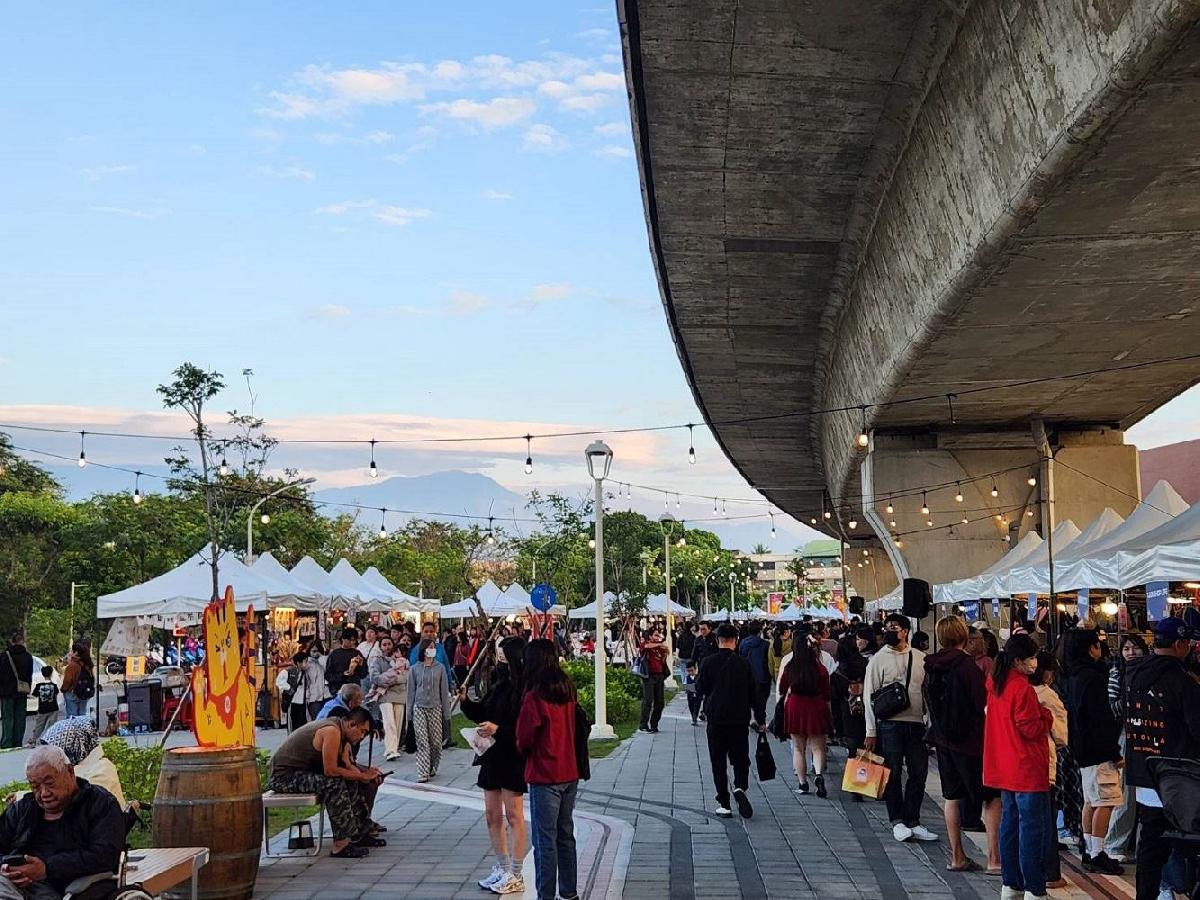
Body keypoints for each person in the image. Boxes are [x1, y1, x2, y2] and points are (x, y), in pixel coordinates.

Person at [1125, 617, 1200, 900]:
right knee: (1187, 842)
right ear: (1180, 644)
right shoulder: (1182, 681)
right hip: (1180, 779)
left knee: (1150, 844)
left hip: (1145, 774)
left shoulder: (1132, 674)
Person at [0, 745, 124, 900]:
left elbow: (105, 855)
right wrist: (6, 868)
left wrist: (47, 868)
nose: (43, 793)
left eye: (50, 783)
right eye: (35, 787)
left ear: (70, 772)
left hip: (71, 888)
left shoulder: (100, 804)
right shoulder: (22, 809)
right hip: (14, 885)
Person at [923, 616, 997, 873]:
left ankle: (957, 856)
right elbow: (981, 704)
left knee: (952, 797)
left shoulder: (931, 666)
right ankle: (994, 859)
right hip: (972, 741)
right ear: (964, 636)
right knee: (991, 797)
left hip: (943, 740)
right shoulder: (967, 667)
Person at [982, 633, 1051, 900]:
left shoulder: (997, 685)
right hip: (1026, 767)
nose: (1035, 662)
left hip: (1004, 766)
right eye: (1031, 657)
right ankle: (1034, 887)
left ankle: (1011, 884)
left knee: (1009, 825)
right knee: (1032, 829)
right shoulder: (1022, 688)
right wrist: (1046, 715)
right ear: (1018, 660)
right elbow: (1031, 728)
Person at [461, 636, 528, 896]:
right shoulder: (499, 682)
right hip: (491, 754)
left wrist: (498, 729)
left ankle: (516, 872)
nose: (498, 658)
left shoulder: (523, 687)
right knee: (492, 814)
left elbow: (523, 728)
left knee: (514, 814)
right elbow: (483, 712)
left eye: (503, 654)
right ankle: (503, 866)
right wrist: (466, 702)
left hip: (511, 755)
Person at [267, 708, 383, 859]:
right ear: (351, 724)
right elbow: (331, 771)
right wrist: (361, 775)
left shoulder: (342, 733)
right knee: (334, 784)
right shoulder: (332, 732)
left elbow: (348, 766)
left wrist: (365, 774)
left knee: (350, 779)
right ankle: (340, 845)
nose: (362, 737)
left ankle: (358, 834)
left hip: (301, 772)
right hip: (283, 777)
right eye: (362, 731)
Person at [516, 639, 580, 900]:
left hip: (545, 773)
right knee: (565, 835)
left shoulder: (534, 697)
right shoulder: (567, 690)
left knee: (545, 841)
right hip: (569, 770)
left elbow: (524, 738)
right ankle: (569, 892)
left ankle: (545, 895)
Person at [863, 613, 935, 843]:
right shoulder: (878, 659)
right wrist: (871, 730)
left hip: (916, 724)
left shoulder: (920, 658)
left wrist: (930, 723)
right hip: (890, 724)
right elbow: (869, 695)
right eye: (887, 627)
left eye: (894, 627)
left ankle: (913, 819)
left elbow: (926, 692)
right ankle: (897, 820)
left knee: (918, 773)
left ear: (905, 631)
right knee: (892, 773)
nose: (889, 631)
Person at [1063, 628, 1124, 875]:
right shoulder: (1093, 678)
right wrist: (1114, 752)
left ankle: (1089, 849)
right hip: (1099, 752)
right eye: (1097, 644)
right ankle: (1098, 853)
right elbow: (1100, 719)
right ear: (1090, 649)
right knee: (1106, 802)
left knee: (1091, 800)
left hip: (1082, 750)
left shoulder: (1073, 676)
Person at [695, 624, 761, 819]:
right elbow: (755, 694)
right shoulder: (744, 664)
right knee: (740, 758)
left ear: (717, 640)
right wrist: (760, 718)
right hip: (739, 719)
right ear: (736, 640)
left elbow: (699, 688)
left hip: (716, 719)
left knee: (718, 761)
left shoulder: (708, 662)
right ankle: (740, 786)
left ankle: (724, 803)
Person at [1104, 632, 1147, 862]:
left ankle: (1141, 847)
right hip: (1125, 735)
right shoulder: (1117, 674)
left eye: (1135, 648)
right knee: (1126, 791)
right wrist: (1132, 697)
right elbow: (1113, 707)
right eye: (1126, 648)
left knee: (1147, 794)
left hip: (1148, 735)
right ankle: (1115, 845)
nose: (1131, 652)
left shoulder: (1150, 672)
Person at [1030, 651, 1069, 890]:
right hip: (1044, 762)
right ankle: (1050, 873)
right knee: (1046, 819)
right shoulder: (1047, 695)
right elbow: (1061, 735)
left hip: (1018, 766)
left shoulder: (1014, 690)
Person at [779, 637, 831, 797]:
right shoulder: (820, 668)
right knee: (818, 748)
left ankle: (802, 783)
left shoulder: (790, 667)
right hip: (816, 706)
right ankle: (818, 774)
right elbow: (827, 693)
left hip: (795, 706)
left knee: (798, 748)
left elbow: (782, 688)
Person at [406, 638, 452, 782]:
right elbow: (410, 692)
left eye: (434, 647)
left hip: (436, 707)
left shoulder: (440, 668)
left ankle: (432, 766)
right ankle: (423, 771)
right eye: (430, 647)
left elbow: (444, 691)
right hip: (419, 707)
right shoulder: (414, 669)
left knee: (436, 742)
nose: (432, 649)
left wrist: (447, 714)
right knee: (422, 741)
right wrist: (409, 714)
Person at [830, 635, 867, 775]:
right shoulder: (867, 666)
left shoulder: (837, 674)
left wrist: (837, 729)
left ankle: (857, 782)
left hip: (848, 717)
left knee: (853, 753)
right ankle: (872, 780)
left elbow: (835, 703)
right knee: (870, 751)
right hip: (868, 714)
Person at [369, 639, 409, 762]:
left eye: (389, 644)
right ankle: (391, 750)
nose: (387, 647)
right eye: (384, 644)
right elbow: (374, 677)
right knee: (389, 722)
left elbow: (406, 676)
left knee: (397, 723)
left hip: (400, 695)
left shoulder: (402, 660)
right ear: (380, 647)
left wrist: (395, 680)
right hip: (384, 695)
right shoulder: (377, 661)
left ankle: (394, 748)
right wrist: (388, 681)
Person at [0, 635, 33, 751]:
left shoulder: (4, 656)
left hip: (6, 692)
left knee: (7, 718)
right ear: (22, 642)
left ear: (12, 642)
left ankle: (6, 742)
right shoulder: (28, 657)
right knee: (20, 718)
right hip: (22, 691)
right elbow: (29, 675)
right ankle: (17, 742)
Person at [737, 621, 772, 727]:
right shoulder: (766, 644)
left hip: (747, 676)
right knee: (761, 702)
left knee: (747, 700)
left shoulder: (743, 643)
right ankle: (761, 723)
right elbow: (769, 661)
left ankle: (747, 721)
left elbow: (741, 658)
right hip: (763, 677)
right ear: (760, 631)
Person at [637, 629, 668, 733]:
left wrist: (664, 651)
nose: (658, 637)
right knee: (648, 700)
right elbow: (645, 647)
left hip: (659, 675)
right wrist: (659, 645)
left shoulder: (659, 648)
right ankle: (643, 724)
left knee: (660, 702)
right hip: (649, 675)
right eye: (655, 635)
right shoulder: (645, 645)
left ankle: (654, 724)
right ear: (650, 636)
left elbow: (663, 659)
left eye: (658, 635)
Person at [410, 622, 454, 687]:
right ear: (422, 633)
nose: (429, 634)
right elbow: (412, 670)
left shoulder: (440, 648)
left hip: (439, 685)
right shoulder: (416, 650)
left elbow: (447, 667)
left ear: (434, 633)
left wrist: (450, 685)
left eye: (431, 631)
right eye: (426, 631)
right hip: (422, 686)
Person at [325, 628, 366, 698]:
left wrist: (361, 664)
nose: (352, 642)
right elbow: (328, 675)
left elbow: (363, 675)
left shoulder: (357, 653)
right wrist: (342, 674)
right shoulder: (334, 654)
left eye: (354, 640)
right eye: (350, 640)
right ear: (343, 639)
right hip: (338, 690)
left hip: (354, 691)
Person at [26, 667, 60, 747]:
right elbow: (56, 695)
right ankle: (49, 739)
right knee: (51, 725)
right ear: (51, 674)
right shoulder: (54, 685)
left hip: (42, 708)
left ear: (42, 674)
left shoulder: (39, 685)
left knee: (39, 725)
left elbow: (34, 695)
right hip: (53, 708)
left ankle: (33, 740)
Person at [59, 644, 94, 720]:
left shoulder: (72, 665)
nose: (70, 652)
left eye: (72, 651)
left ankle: (73, 727)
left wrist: (64, 689)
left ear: (76, 653)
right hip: (84, 693)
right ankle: (81, 727)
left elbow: (67, 680)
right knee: (82, 714)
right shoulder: (88, 664)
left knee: (72, 716)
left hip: (72, 693)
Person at [302, 640, 330, 722]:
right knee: (317, 721)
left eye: (318, 651)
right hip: (314, 697)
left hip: (326, 695)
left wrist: (322, 656)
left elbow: (327, 670)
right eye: (313, 651)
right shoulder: (307, 664)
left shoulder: (325, 660)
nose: (316, 653)